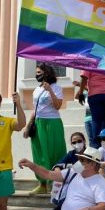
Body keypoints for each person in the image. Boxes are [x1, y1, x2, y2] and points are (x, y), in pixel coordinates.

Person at [24, 63, 67, 194]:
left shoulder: (56, 87)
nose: (37, 75)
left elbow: (58, 105)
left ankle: (55, 182)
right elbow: (35, 109)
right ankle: (42, 184)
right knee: (40, 153)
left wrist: (50, 91)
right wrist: (28, 125)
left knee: (54, 151)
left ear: (47, 73)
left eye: (39, 73)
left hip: (52, 123)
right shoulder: (36, 90)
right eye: (36, 73)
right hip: (38, 123)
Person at [75, 68, 105, 148]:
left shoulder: (91, 59)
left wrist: (81, 93)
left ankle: (96, 146)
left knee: (96, 120)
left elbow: (84, 77)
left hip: (95, 93)